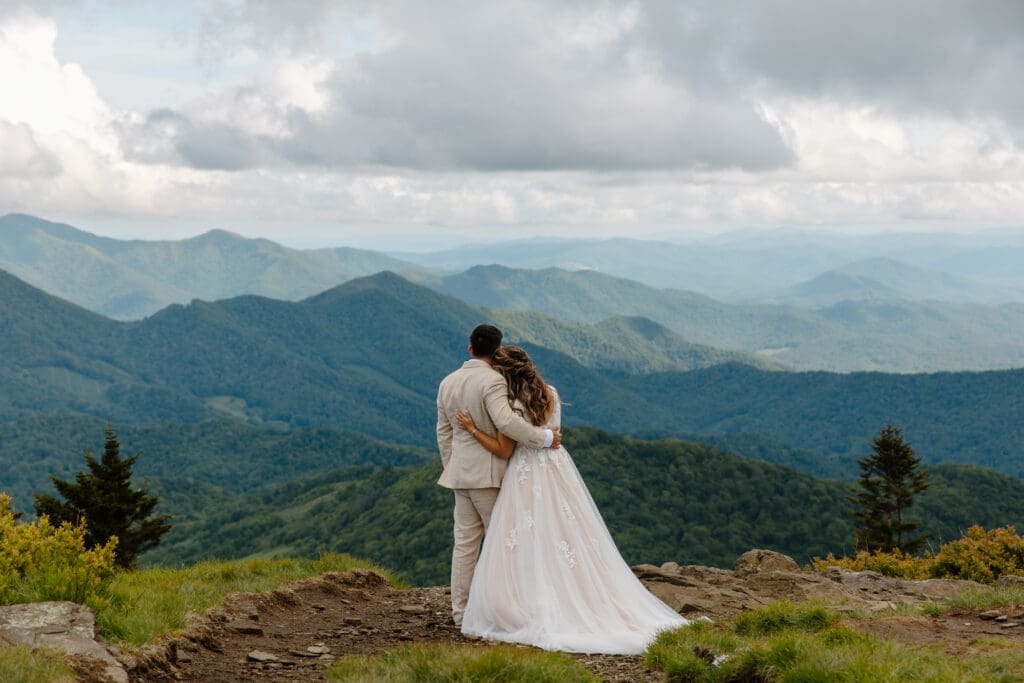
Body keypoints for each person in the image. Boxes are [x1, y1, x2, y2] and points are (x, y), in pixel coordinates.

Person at [454, 346, 687, 655]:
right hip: (556, 467)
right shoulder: (550, 392)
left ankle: (525, 599)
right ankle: (575, 591)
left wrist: (471, 429)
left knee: (525, 537)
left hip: (524, 473)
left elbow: (504, 449)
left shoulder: (512, 404)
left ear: (505, 374)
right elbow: (552, 432)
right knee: (567, 531)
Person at [436, 325, 562, 628]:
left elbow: (443, 432)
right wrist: (544, 438)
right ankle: (502, 612)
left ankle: (461, 613)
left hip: (460, 474)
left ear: (469, 348)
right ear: (497, 349)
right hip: (489, 474)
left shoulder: (447, 382)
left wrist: (452, 465)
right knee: (504, 544)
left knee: (464, 544)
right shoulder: (494, 382)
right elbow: (507, 422)